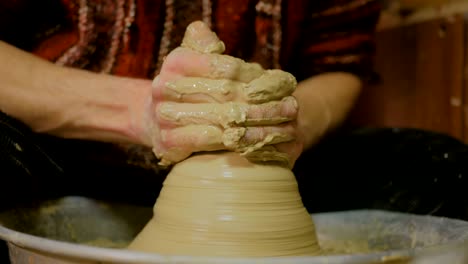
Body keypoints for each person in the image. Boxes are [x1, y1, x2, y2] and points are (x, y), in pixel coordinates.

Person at [0, 1, 381, 202]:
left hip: (264, 169)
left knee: (430, 169)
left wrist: (286, 119)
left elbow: (339, 59)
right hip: (59, 154)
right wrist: (144, 111)